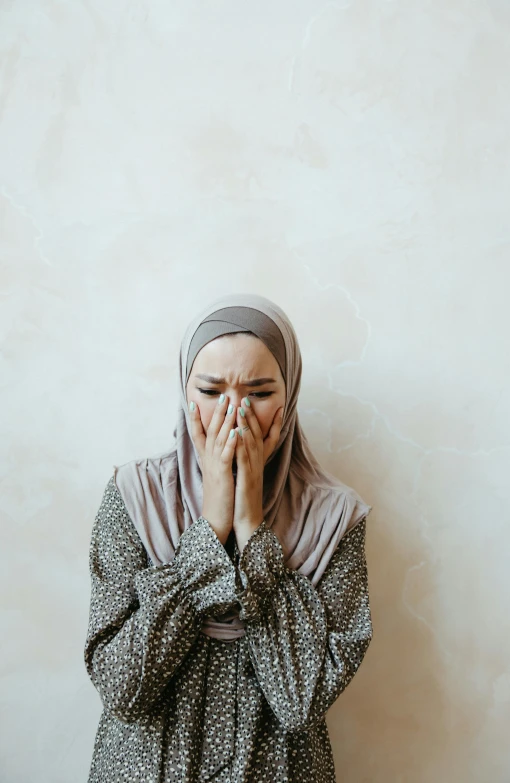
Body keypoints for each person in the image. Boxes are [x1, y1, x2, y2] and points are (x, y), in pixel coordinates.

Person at [84, 292, 373, 783]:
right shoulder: (136, 497)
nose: (234, 417)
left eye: (259, 394)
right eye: (212, 392)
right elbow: (122, 689)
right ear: (185, 392)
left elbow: (299, 699)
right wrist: (210, 529)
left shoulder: (334, 518)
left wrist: (251, 529)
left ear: (290, 394)